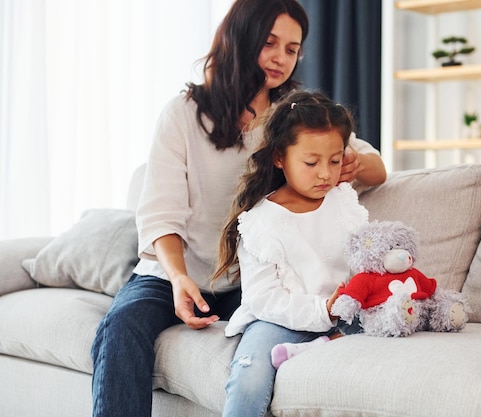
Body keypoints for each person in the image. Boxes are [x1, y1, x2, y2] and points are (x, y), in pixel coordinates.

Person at [90, 1, 386, 416]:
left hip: (248, 281)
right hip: (175, 273)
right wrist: (178, 280)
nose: (281, 58)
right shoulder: (183, 114)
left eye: (292, 48)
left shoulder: (293, 116)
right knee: (118, 328)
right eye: (270, 43)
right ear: (240, 39)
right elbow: (161, 215)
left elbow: (376, 166)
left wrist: (355, 162)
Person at [213, 89, 370, 417]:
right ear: (279, 157)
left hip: (345, 312)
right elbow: (264, 299)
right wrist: (321, 310)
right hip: (279, 318)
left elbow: (365, 255)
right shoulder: (260, 222)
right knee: (249, 375)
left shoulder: (342, 199)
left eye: (335, 160)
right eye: (311, 163)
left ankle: (323, 344)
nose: (326, 173)